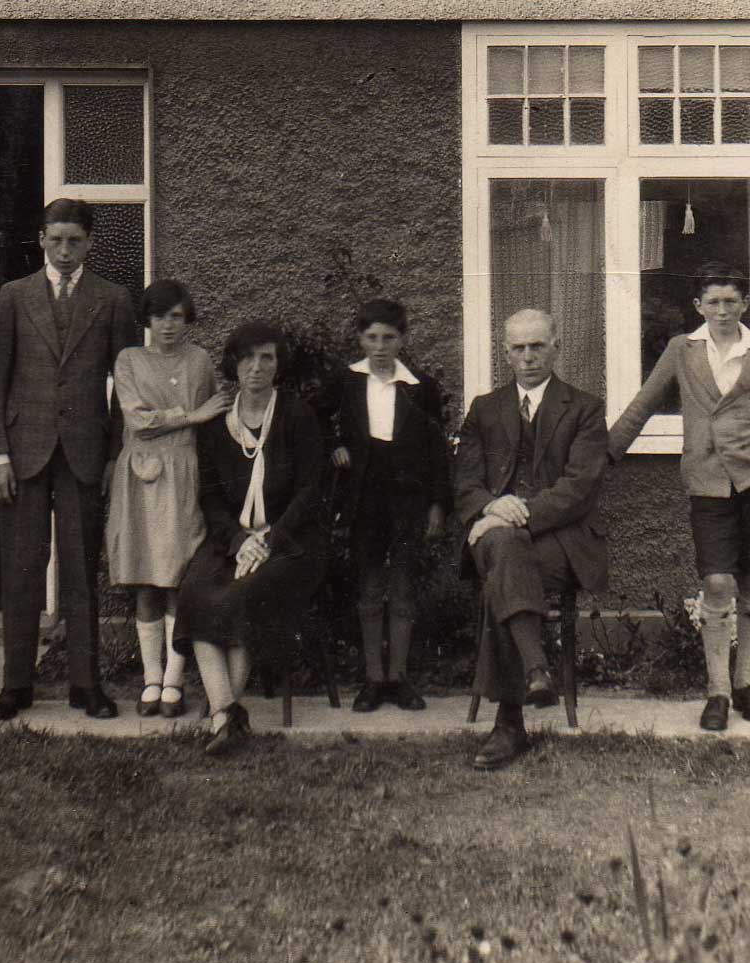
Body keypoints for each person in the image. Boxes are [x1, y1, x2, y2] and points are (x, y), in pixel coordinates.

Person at [608, 264, 750, 732]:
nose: (721, 310)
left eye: (730, 301)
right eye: (712, 302)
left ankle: (746, 685)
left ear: (744, 305)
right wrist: (602, 457)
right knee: (717, 583)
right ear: (698, 307)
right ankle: (716, 691)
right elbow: (642, 406)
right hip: (708, 481)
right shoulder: (682, 350)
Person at [0, 199, 137, 721]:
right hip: (23, 451)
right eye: (55, 239)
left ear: (90, 243)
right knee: (22, 568)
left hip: (84, 452)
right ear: (42, 240)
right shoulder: (14, 296)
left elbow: (127, 388)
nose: (65, 250)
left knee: (79, 570)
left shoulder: (113, 300)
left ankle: (85, 685)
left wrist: (116, 455)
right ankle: (15, 685)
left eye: (75, 240)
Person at [454, 309, 609, 770]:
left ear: (555, 346)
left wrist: (512, 516)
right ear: (505, 353)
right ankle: (535, 670)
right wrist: (489, 507)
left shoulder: (584, 408)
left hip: (558, 542)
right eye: (518, 348)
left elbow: (578, 488)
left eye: (537, 346)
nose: (527, 357)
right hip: (497, 534)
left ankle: (509, 724)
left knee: (506, 558)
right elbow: (464, 481)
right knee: (505, 552)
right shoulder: (485, 408)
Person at [172, 322, 328, 756]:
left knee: (244, 593)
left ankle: (223, 717)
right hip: (233, 538)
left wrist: (270, 540)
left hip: (292, 543)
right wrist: (240, 540)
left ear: (279, 366)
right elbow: (210, 497)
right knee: (196, 591)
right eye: (247, 358)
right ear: (234, 365)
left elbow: (310, 491)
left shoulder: (297, 416)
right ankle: (228, 714)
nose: (256, 367)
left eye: (267, 358)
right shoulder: (217, 423)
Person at [106, 279, 231, 718]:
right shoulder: (129, 360)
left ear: (188, 319)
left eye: (177, 316)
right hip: (141, 476)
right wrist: (189, 416)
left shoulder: (198, 360)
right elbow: (138, 421)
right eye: (160, 316)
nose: (168, 326)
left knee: (178, 577)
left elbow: (214, 414)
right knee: (146, 579)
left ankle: (175, 682)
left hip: (185, 473)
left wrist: (195, 421)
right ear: (148, 319)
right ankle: (151, 679)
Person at [322, 299, 450, 713]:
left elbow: (437, 451)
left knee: (403, 585)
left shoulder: (421, 388)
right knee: (371, 584)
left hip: (408, 496)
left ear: (403, 339)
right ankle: (372, 678)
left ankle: (399, 677)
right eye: (372, 337)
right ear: (360, 339)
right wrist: (334, 445)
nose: (380, 346)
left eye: (389, 338)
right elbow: (308, 423)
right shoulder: (345, 381)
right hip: (364, 494)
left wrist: (436, 504)